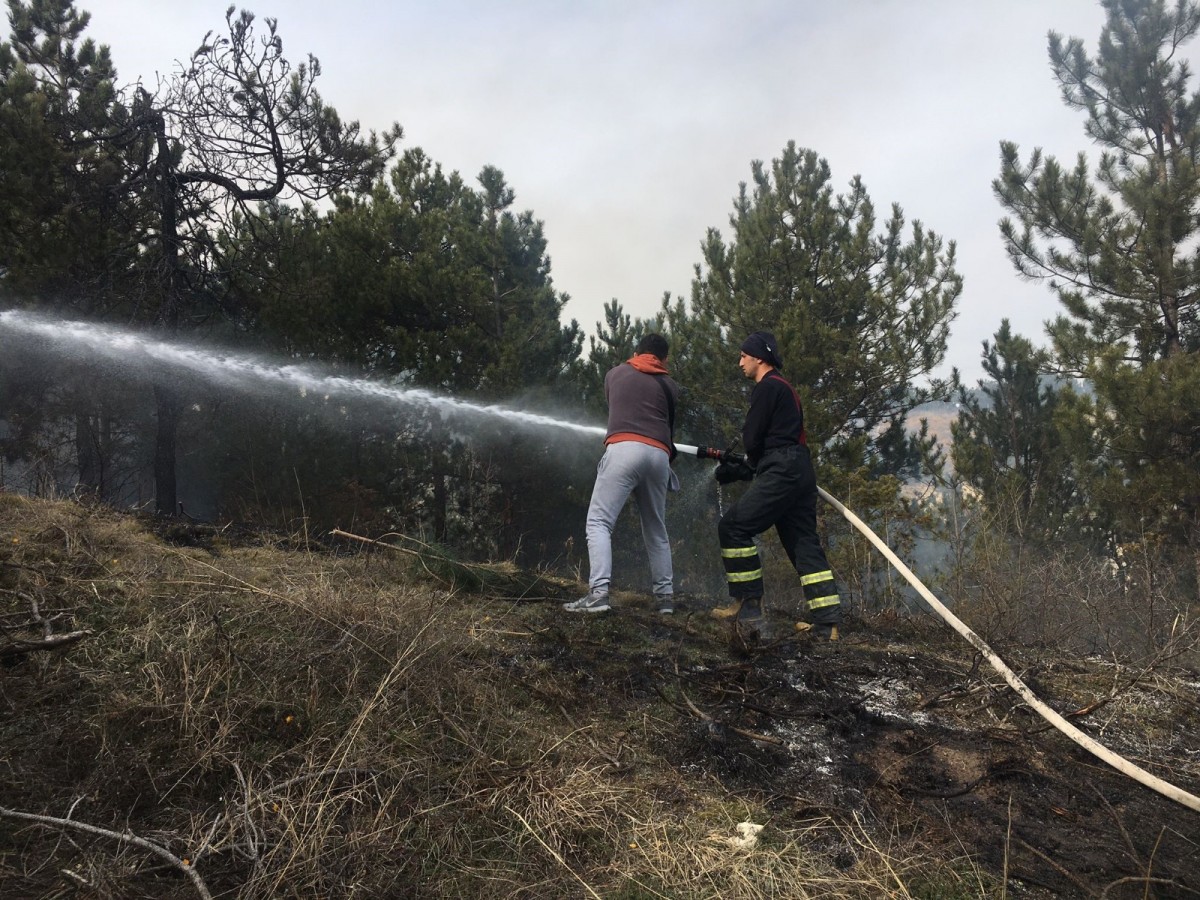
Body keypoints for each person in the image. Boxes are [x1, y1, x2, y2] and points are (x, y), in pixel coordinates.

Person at [711, 331, 843, 642]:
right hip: (798, 470)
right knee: (803, 543)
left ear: (759, 357)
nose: (739, 361)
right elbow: (779, 440)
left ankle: (748, 605)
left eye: (744, 355)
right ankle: (827, 625)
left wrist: (745, 467)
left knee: (733, 527)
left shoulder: (766, 387)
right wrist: (753, 466)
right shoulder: (786, 388)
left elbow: (753, 437)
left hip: (781, 469)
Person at [564, 333, 680, 614]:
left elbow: (616, 406)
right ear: (664, 359)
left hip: (624, 448)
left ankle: (599, 594)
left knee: (599, 523)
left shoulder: (614, 374)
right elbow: (668, 424)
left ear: (636, 351)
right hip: (659, 455)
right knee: (656, 528)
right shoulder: (670, 385)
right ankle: (665, 599)